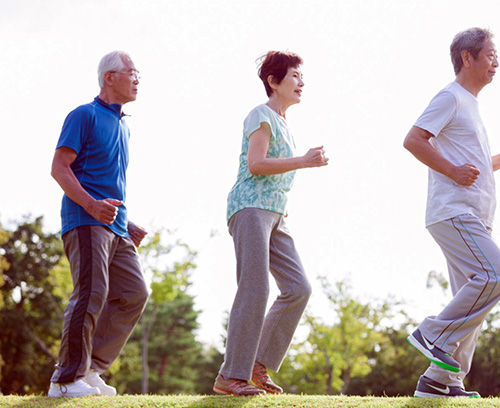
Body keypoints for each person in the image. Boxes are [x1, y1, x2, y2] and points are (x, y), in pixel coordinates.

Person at [213, 51, 329, 396]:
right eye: (294, 76)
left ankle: (256, 364)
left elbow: (273, 174)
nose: (301, 82)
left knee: (298, 288)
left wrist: (280, 203)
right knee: (255, 288)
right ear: (273, 82)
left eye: (301, 76)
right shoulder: (259, 115)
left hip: (274, 214)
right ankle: (230, 376)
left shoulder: (285, 124)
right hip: (249, 209)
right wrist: (304, 162)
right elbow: (256, 164)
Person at [404, 28, 500, 398]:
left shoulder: (471, 105)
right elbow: (413, 139)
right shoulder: (451, 97)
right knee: (494, 275)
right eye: (490, 54)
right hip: (454, 212)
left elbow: (474, 164)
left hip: (474, 217)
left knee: (473, 302)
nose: (496, 61)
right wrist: (451, 171)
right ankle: (431, 333)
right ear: (467, 58)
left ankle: (440, 382)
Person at [48, 51, 149, 398]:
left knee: (134, 292)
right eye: (132, 73)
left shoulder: (123, 126)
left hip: (116, 226)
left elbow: (107, 181)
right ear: (110, 77)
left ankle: (89, 368)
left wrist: (127, 220)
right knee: (91, 293)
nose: (138, 79)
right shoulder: (84, 115)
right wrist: (91, 204)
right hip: (84, 219)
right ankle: (65, 380)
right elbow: (59, 168)